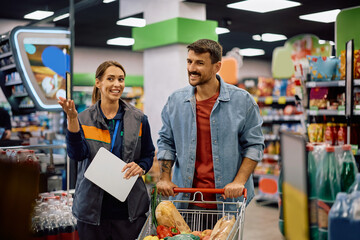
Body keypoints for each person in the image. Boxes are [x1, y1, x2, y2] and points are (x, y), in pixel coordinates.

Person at [156, 39, 264, 214]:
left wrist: (239, 181)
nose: (192, 68)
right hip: (185, 199)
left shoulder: (242, 101)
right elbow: (166, 142)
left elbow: (254, 145)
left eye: (200, 63)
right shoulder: (175, 101)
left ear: (217, 67)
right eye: (189, 61)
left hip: (227, 201)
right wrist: (165, 178)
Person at [58, 60, 155, 240]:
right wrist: (72, 120)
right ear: (98, 82)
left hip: (129, 212)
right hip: (92, 212)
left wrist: (141, 166)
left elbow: (148, 154)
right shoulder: (84, 118)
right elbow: (76, 154)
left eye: (121, 79)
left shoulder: (139, 119)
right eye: (110, 79)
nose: (117, 84)